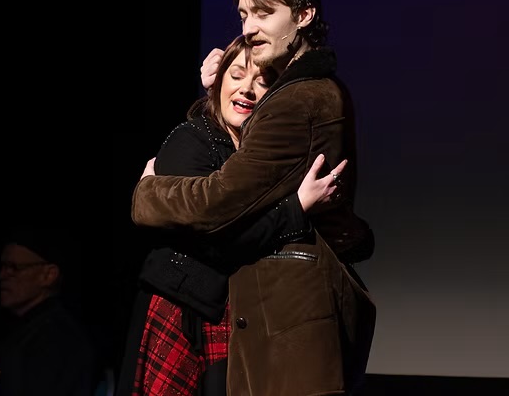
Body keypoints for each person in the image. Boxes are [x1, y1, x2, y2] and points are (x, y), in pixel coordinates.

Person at [131, 0, 376, 396]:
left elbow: (218, 202)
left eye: (264, 13)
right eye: (244, 15)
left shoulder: (295, 100)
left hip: (275, 312)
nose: (249, 27)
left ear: (304, 15)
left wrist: (147, 193)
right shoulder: (201, 134)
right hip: (197, 307)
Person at [116, 34, 346, 396]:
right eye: (236, 75)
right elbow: (219, 239)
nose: (247, 89)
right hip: (181, 308)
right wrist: (296, 208)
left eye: (263, 82)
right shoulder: (192, 139)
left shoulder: (259, 158)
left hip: (236, 314)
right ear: (217, 81)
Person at [0, 226, 101, 396]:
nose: (2, 275)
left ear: (49, 275)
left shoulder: (57, 339)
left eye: (14, 268)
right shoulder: (23, 329)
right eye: (3, 266)